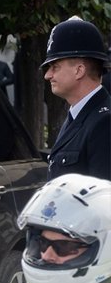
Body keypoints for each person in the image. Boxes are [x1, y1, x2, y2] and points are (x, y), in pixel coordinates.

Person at [42, 17, 110, 180]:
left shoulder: (105, 122)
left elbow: (104, 200)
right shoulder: (78, 116)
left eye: (55, 67)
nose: (47, 75)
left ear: (79, 70)